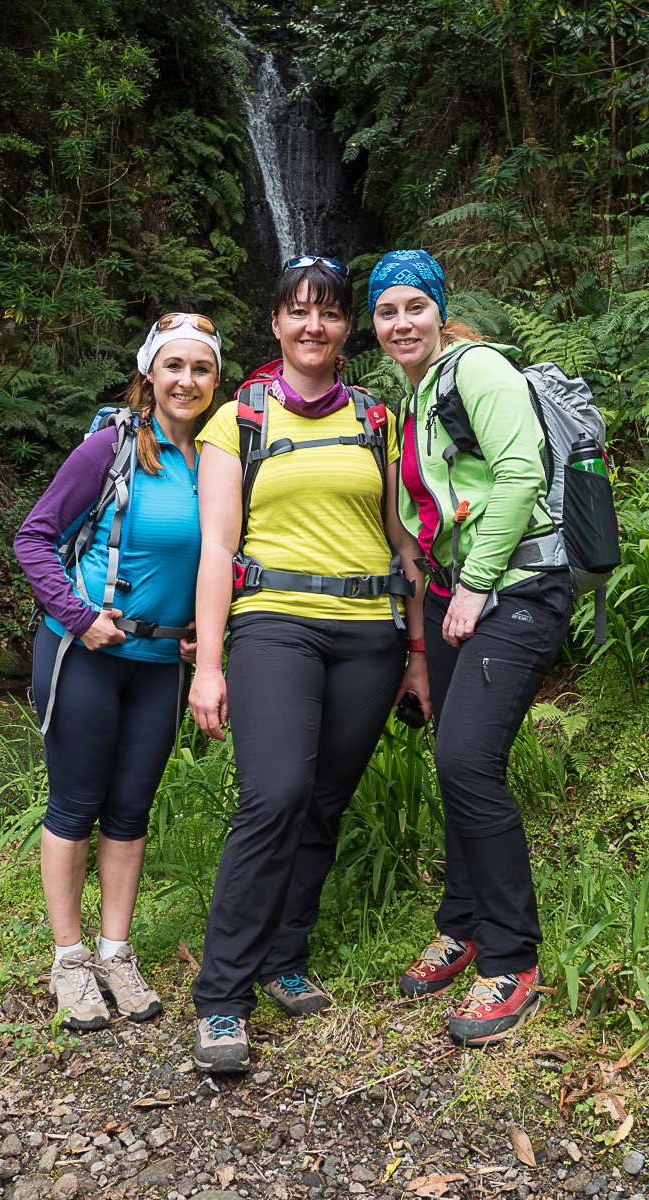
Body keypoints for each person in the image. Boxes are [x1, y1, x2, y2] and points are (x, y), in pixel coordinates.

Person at [188, 255, 431, 1072]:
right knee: (274, 796)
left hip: (369, 633)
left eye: (328, 313)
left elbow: (407, 546)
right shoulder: (239, 418)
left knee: (323, 802)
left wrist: (419, 652)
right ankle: (222, 998)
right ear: (276, 324)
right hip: (275, 626)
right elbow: (218, 548)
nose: (314, 326)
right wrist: (209, 665)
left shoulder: (378, 418)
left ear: (344, 328)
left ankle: (281, 959)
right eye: (299, 312)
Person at [368, 249, 573, 1047]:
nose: (400, 323)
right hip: (459, 592)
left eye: (414, 307)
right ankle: (463, 923)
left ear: (439, 310)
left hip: (517, 588)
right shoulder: (416, 395)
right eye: (386, 312)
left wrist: (480, 581)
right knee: (456, 761)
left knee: (465, 760)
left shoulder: (477, 368)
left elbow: (520, 472)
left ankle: (514, 957)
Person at [13, 313, 221, 1031]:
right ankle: (69, 960)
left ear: (215, 381)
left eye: (201, 369)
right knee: (76, 806)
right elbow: (34, 538)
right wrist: (77, 616)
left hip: (162, 662)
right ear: (150, 374)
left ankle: (115, 952)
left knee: (131, 811)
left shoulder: (219, 461)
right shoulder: (110, 448)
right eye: (174, 366)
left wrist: (201, 633)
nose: (186, 380)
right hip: (89, 653)